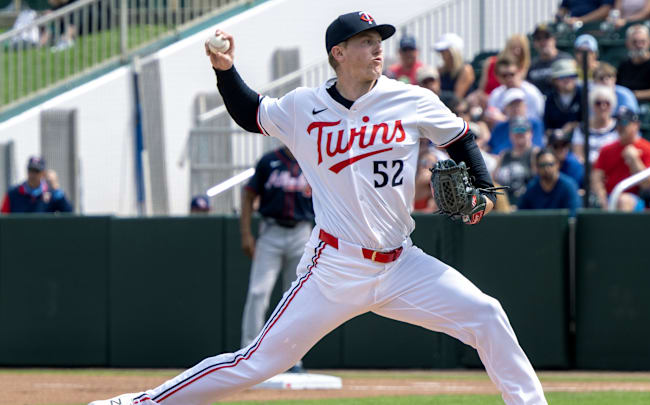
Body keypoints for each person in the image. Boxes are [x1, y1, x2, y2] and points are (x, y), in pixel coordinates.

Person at [89, 11, 547, 405]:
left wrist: (485, 189)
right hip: (334, 267)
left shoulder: (411, 98)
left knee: (486, 314)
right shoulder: (303, 107)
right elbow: (251, 113)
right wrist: (226, 70)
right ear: (338, 53)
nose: (377, 49)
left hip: (401, 263)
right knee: (257, 362)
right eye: (365, 42)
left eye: (379, 42)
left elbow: (461, 137)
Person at [240, 146, 314, 374]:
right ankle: (248, 353)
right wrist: (245, 233)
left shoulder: (312, 157)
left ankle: (293, 359)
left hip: (302, 231)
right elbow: (248, 194)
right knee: (257, 292)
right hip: (271, 231)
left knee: (296, 297)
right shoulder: (269, 161)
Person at [591, 107, 650, 210]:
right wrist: (602, 199)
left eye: (624, 122)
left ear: (636, 125)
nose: (620, 127)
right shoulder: (606, 149)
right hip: (610, 198)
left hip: (641, 200)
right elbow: (596, 178)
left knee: (623, 200)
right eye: (617, 122)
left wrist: (634, 160)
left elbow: (647, 184)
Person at [518, 149, 580, 215]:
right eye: (542, 165)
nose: (546, 168)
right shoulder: (531, 188)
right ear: (537, 167)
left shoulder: (568, 186)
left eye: (550, 164)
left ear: (557, 165)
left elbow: (573, 215)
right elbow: (521, 215)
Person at [493, 117, 540, 207]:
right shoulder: (504, 155)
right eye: (516, 130)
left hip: (525, 204)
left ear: (531, 133)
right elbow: (494, 181)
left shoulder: (535, 153)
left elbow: (537, 183)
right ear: (510, 135)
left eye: (523, 129)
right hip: (503, 204)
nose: (519, 133)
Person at [1, 156, 73, 213]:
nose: (33, 174)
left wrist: (57, 191)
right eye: (30, 170)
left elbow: (69, 214)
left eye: (36, 171)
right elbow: (3, 218)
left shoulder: (52, 194)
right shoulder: (13, 193)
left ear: (43, 173)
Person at [616, 24, 650, 103]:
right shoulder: (624, 64)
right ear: (627, 44)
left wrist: (633, 95)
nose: (639, 45)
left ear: (649, 42)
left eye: (642, 42)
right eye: (635, 42)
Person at [487, 56, 545, 124]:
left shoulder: (532, 93)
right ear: (498, 77)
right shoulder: (496, 94)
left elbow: (535, 121)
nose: (508, 78)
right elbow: (492, 117)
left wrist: (505, 120)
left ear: (519, 72)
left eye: (512, 74)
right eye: (504, 75)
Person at [489, 88, 545, 155]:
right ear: (505, 108)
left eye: (519, 105)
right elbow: (490, 147)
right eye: (512, 105)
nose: (516, 108)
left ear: (525, 106)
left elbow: (537, 148)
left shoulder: (535, 124)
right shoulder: (499, 127)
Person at [572, 85, 620, 163]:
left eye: (607, 103)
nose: (603, 107)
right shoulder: (581, 128)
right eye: (598, 103)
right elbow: (577, 154)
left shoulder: (619, 127)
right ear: (592, 106)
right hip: (587, 169)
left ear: (612, 106)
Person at [477, 34, 532, 99]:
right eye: (513, 48)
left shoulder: (524, 68)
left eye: (520, 49)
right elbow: (481, 89)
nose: (517, 51)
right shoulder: (491, 63)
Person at [527, 24, 572, 97]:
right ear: (534, 43)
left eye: (546, 37)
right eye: (538, 38)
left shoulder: (566, 60)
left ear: (554, 39)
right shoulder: (532, 65)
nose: (542, 42)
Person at [543, 58, 582, 136]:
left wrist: (573, 126)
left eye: (571, 76)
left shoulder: (583, 94)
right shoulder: (550, 98)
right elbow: (546, 126)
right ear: (554, 80)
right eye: (561, 77)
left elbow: (590, 121)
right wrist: (556, 133)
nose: (567, 80)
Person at [434, 32, 476, 100]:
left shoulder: (466, 70)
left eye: (444, 50)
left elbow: (457, 97)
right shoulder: (440, 70)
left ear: (452, 52)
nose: (441, 54)